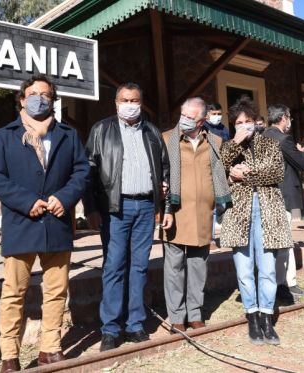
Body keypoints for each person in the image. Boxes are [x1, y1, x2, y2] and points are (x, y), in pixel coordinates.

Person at [0, 74, 89, 372]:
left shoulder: (68, 135)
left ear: (53, 99)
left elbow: (81, 171)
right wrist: (25, 201)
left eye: (45, 94)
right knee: (14, 292)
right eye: (33, 93)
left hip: (56, 221)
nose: (39, 98)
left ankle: (50, 349)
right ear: (21, 99)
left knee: (56, 290)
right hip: (21, 222)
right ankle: (10, 356)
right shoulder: (4, 135)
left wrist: (65, 197)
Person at [83, 82, 172, 352]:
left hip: (145, 207)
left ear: (141, 103)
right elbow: (88, 171)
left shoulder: (152, 131)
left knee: (139, 267)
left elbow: (165, 171)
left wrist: (165, 204)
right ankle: (110, 329)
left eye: (135, 100)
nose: (130, 104)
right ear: (116, 102)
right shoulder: (101, 130)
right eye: (125, 100)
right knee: (114, 267)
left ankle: (135, 324)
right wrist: (90, 208)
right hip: (114, 209)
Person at [220, 96, 291, 345]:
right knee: (244, 268)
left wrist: (240, 175)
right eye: (239, 122)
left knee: (269, 269)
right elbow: (219, 172)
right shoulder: (229, 146)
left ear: (256, 122)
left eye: (248, 121)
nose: (244, 125)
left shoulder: (269, 144)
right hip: (239, 212)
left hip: (268, 210)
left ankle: (267, 317)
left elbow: (276, 172)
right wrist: (231, 162)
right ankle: (252, 315)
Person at [162, 97, 231, 333]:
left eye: (191, 117)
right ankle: (177, 316)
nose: (185, 120)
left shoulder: (215, 142)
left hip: (203, 212)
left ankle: (195, 313)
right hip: (175, 213)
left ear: (202, 120)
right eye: (183, 115)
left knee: (198, 265)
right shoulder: (166, 139)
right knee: (174, 266)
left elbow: (221, 173)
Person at [264, 104, 304, 300]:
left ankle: (280, 282)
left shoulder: (262, 136)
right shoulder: (284, 139)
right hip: (282, 195)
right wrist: (301, 152)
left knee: (273, 241)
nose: (289, 120)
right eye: (289, 116)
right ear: (283, 117)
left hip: (267, 194)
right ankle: (286, 284)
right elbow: (302, 164)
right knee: (284, 243)